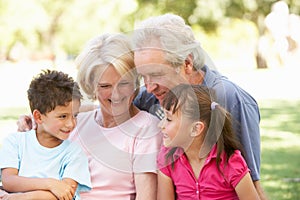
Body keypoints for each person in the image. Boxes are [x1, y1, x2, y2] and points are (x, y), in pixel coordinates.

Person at [131, 13, 267, 199]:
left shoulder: (229, 99)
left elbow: (252, 182)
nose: (149, 87)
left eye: (156, 74)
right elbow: (107, 113)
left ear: (187, 63)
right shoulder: (150, 97)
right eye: (143, 76)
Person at [70, 33, 162, 200]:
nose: (117, 95)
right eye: (105, 86)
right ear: (91, 85)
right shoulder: (75, 122)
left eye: (124, 83)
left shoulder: (146, 129)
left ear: (135, 82)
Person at [156, 84, 260, 200]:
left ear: (196, 129)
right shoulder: (168, 158)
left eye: (169, 119)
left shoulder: (230, 163)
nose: (160, 125)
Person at [0, 70, 92, 200]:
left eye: (75, 115)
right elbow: (9, 181)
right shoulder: (15, 142)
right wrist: (50, 184)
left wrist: (22, 198)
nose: (71, 124)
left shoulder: (74, 153)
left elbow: (66, 193)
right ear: (38, 117)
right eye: (63, 116)